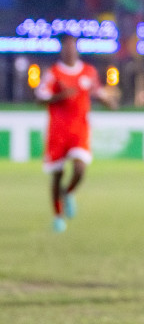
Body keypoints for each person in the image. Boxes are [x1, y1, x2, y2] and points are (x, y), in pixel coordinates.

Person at [36, 33, 114, 232]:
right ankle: (58, 217)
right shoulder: (53, 73)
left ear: (76, 48)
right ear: (62, 49)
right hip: (58, 131)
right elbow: (40, 99)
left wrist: (109, 102)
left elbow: (97, 92)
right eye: (66, 46)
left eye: (73, 45)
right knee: (57, 174)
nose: (70, 49)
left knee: (79, 169)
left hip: (79, 129)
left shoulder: (88, 71)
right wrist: (60, 96)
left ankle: (68, 193)